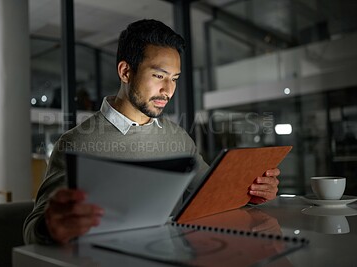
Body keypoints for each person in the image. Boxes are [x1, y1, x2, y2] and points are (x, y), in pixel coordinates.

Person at [23, 19, 280, 245]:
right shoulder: (76, 142)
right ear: (125, 71)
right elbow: (32, 230)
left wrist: (251, 192)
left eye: (175, 79)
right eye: (159, 75)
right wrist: (50, 227)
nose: (168, 90)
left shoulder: (179, 138)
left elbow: (212, 194)